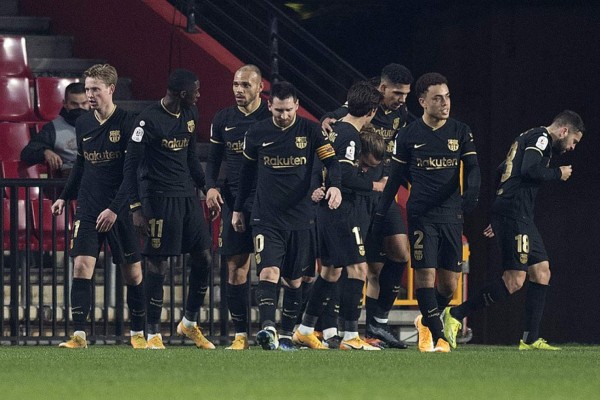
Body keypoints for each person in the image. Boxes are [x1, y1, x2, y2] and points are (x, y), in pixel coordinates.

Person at [443, 110, 584, 351]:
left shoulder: (529, 135)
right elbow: (529, 169)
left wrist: (498, 211)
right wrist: (557, 173)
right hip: (515, 214)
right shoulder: (541, 138)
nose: (572, 147)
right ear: (564, 131)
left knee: (542, 272)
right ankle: (455, 314)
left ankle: (530, 339)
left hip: (517, 214)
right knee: (514, 280)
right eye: (574, 141)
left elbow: (503, 169)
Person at [374, 72, 481, 353]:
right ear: (422, 101)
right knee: (424, 275)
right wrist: (380, 214)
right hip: (422, 216)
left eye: (447, 97)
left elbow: (473, 170)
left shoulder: (460, 131)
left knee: (448, 284)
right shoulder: (408, 135)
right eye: (437, 98)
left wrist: (471, 195)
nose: (445, 103)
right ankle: (439, 336)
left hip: (451, 216)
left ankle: (426, 320)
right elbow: (395, 178)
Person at [232, 81, 342, 351]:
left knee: (294, 280)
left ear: (297, 106)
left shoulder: (311, 130)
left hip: (301, 217)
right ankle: (267, 328)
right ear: (269, 106)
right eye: (278, 110)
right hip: (266, 217)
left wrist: (336, 185)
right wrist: (237, 208)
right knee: (269, 271)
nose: (283, 116)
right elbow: (245, 175)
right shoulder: (257, 132)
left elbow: (332, 162)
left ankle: (285, 334)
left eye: (288, 110)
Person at [115, 68, 215, 350]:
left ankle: (190, 322)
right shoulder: (147, 121)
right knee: (158, 263)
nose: (199, 95)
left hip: (186, 197)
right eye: (196, 90)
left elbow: (192, 158)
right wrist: (136, 207)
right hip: (157, 199)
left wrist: (207, 188)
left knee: (204, 257)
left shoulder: (190, 115)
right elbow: (130, 166)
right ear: (182, 93)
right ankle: (153, 333)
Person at [51, 64, 146, 349]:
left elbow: (132, 174)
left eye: (95, 89)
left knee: (133, 274)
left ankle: (138, 334)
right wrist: (64, 197)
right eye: (88, 88)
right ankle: (79, 335)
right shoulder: (83, 123)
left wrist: (116, 209)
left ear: (111, 89)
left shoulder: (129, 122)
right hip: (90, 208)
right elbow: (81, 162)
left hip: (120, 209)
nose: (90, 94)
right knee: (81, 266)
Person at [323, 63, 414, 349]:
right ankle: (344, 328)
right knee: (359, 265)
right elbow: (334, 122)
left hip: (385, 195)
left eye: (406, 94)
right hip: (361, 193)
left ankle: (379, 322)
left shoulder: (403, 116)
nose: (402, 99)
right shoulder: (361, 107)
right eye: (398, 93)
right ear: (382, 88)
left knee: (400, 253)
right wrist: (325, 119)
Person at [293, 82, 385, 351]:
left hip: (326, 210)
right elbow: (344, 175)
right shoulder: (350, 135)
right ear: (371, 111)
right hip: (340, 210)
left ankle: (305, 329)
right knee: (359, 268)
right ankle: (349, 336)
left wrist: (316, 188)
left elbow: (321, 165)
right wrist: (374, 185)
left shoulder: (331, 131)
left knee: (331, 271)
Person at [205, 65, 271, 350]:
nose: (238, 90)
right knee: (236, 269)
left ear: (260, 88)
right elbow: (213, 159)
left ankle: (278, 329)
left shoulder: (272, 117)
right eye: (235, 84)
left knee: (275, 269)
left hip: (268, 201)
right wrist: (209, 187)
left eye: (245, 85)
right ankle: (241, 335)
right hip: (234, 202)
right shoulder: (223, 118)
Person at [21, 82, 90, 178]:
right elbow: (27, 153)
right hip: (71, 176)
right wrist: (45, 152)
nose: (80, 108)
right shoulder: (52, 128)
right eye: (74, 104)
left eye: (84, 103)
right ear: (65, 104)